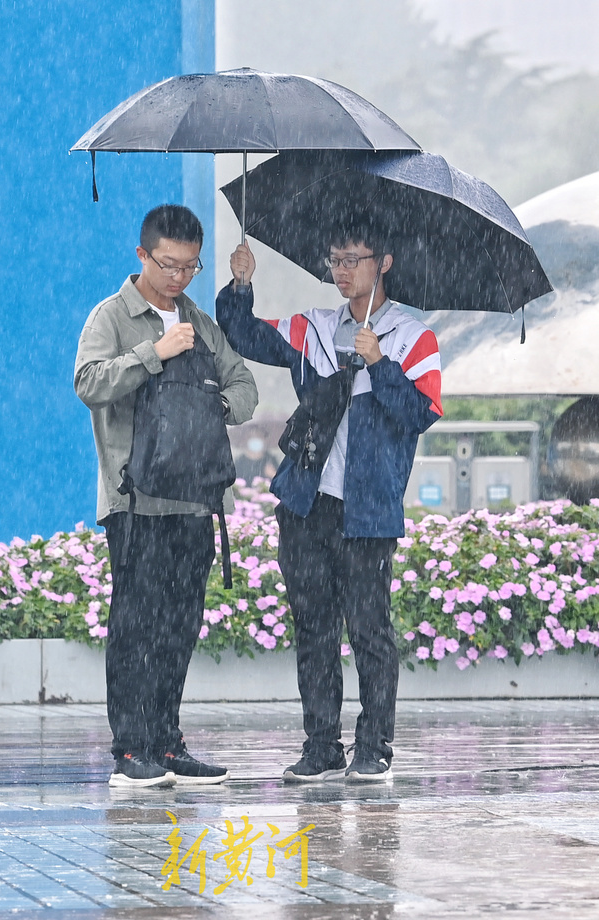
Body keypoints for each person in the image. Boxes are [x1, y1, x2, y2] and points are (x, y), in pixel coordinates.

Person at [216, 216, 442, 783]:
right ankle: (321, 745)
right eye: (334, 260)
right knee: (313, 626)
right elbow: (242, 334)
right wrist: (241, 286)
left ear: (382, 262)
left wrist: (381, 364)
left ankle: (374, 745)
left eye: (352, 260)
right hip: (306, 503)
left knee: (369, 629)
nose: (341, 272)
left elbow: (419, 415)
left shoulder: (413, 338)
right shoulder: (313, 328)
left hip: (368, 509)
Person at [74, 205, 258, 788]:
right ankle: (130, 749)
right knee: (135, 626)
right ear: (142, 255)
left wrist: (215, 406)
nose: (178, 277)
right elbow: (89, 383)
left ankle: (166, 741)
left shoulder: (201, 322)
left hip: (193, 501)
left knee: (180, 625)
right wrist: (155, 353)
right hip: (135, 501)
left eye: (190, 267)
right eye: (168, 264)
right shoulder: (113, 317)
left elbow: (244, 386)